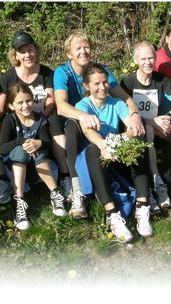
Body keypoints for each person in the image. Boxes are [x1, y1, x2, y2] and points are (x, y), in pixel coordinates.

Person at [54, 31, 145, 220]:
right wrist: (83, 116)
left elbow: (124, 97)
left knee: (136, 132)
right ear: (69, 54)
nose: (83, 51)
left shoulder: (100, 70)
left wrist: (135, 114)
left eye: (86, 47)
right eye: (77, 48)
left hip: (102, 119)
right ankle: (77, 188)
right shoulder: (63, 72)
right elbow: (61, 106)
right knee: (72, 125)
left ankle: (145, 192)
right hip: (77, 119)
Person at [75, 63, 153, 240]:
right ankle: (112, 213)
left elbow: (133, 129)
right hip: (97, 158)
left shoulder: (117, 103)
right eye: (96, 84)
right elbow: (88, 131)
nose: (102, 87)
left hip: (116, 152)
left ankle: (142, 204)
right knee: (93, 149)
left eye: (105, 82)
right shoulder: (83, 105)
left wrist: (115, 142)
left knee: (139, 140)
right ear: (86, 86)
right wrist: (104, 145)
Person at [120, 41, 171, 212]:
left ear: (155, 58)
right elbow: (125, 112)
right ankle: (156, 180)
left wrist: (167, 117)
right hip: (142, 132)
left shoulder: (161, 79)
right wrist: (151, 121)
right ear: (136, 60)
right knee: (148, 128)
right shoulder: (128, 83)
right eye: (143, 58)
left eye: (151, 58)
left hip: (162, 129)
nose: (148, 62)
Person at [0, 82, 67, 230]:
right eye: (20, 102)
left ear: (33, 100)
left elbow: (48, 143)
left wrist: (38, 143)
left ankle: (55, 194)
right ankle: (19, 201)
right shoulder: (10, 120)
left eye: (28, 100)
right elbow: (2, 148)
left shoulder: (39, 119)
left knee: (37, 150)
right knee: (21, 149)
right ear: (11, 106)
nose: (26, 105)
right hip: (16, 168)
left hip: (39, 168)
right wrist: (22, 142)